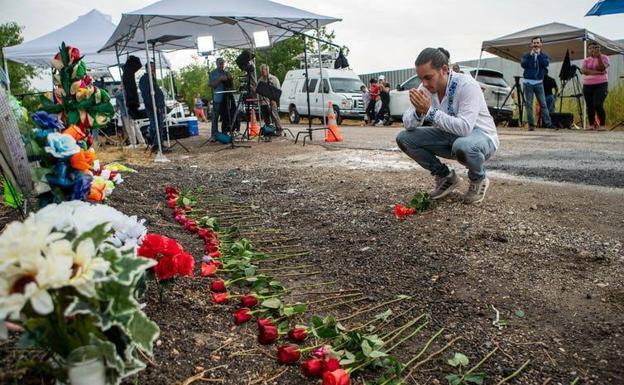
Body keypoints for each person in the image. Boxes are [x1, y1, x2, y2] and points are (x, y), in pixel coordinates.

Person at [396, 47, 499, 204]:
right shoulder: (425, 87)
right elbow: (407, 124)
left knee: (463, 145)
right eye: (420, 79)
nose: (424, 83)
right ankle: (446, 177)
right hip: (450, 137)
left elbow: (465, 128)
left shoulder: (467, 85)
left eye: (428, 77)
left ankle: (478, 178)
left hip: (480, 137)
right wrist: (418, 111)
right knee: (404, 138)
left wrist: (429, 111)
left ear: (444, 69)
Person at [520, 36, 552, 130]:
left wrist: (539, 55)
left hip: (538, 83)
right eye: (534, 43)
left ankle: (548, 124)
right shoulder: (526, 55)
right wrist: (531, 55)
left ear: (541, 44)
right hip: (528, 83)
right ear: (531, 44)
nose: (536, 45)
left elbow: (545, 64)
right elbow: (523, 64)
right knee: (529, 104)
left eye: (538, 43)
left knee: (543, 103)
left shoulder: (544, 55)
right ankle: (531, 125)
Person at [138, 61, 167, 152]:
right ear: (147, 68)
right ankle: (156, 145)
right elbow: (147, 95)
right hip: (153, 106)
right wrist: (154, 105)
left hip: (158, 105)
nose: (153, 69)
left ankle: (159, 144)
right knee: (156, 125)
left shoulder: (152, 78)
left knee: (159, 125)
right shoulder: (144, 79)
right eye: (152, 67)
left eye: (154, 67)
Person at [581, 41, 610, 131]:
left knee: (597, 104)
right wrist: (599, 73)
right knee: (590, 105)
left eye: (594, 48)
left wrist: (599, 57)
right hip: (587, 85)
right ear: (588, 50)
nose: (592, 50)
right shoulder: (586, 60)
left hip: (601, 84)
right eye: (590, 48)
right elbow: (584, 71)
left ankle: (602, 125)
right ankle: (591, 125)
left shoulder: (604, 57)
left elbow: (602, 68)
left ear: (598, 49)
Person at [209, 57, 234, 140]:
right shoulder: (212, 73)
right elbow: (212, 85)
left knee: (226, 117)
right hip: (217, 98)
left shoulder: (226, 73)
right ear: (216, 64)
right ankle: (214, 135)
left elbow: (232, 86)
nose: (221, 65)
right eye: (220, 63)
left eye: (222, 63)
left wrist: (231, 79)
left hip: (226, 99)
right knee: (215, 117)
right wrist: (220, 79)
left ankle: (224, 133)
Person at [257, 63, 283, 135]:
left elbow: (278, 91)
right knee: (265, 117)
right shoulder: (260, 80)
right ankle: (269, 130)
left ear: (267, 70)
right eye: (261, 71)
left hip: (272, 101)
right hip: (263, 102)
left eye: (264, 71)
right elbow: (258, 91)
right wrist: (259, 100)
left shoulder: (274, 79)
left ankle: (279, 129)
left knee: (274, 115)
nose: (262, 72)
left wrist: (274, 100)